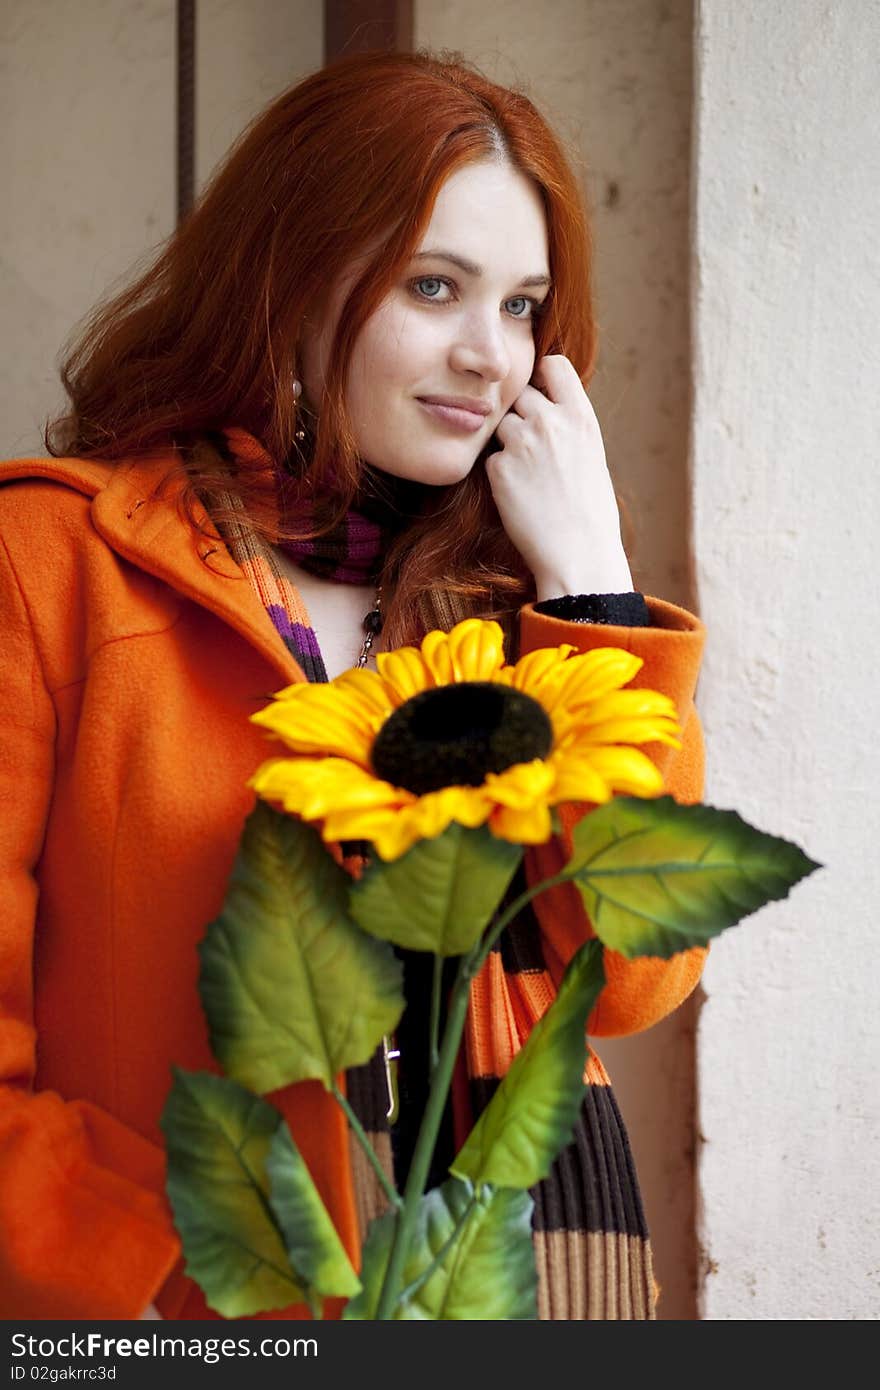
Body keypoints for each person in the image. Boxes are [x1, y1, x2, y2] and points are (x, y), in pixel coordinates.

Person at [0, 49, 706, 1320]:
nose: (490, 358)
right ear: (292, 280)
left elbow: (639, 974)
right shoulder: (51, 566)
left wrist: (594, 589)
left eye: (521, 306)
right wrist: (153, 1283)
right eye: (435, 286)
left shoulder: (513, 607)